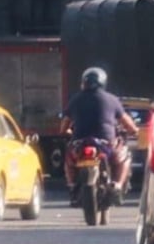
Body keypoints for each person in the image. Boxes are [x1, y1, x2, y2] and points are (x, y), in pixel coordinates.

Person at [59, 67, 138, 205]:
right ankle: (117, 185)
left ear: (84, 82)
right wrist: (134, 130)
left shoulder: (75, 100)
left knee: (69, 162)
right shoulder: (112, 100)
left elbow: (64, 126)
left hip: (80, 144)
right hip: (107, 144)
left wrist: (67, 132)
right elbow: (127, 123)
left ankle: (72, 186)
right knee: (125, 157)